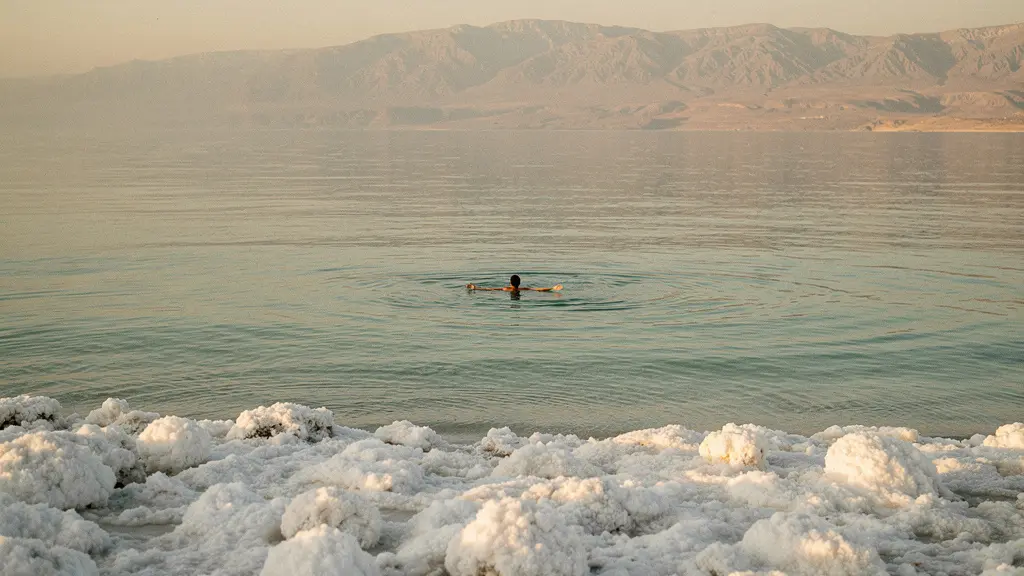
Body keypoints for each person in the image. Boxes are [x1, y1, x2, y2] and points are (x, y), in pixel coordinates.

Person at [466, 275, 562, 292]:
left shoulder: (505, 289)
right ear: (519, 283)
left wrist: (476, 288)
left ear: (510, 282)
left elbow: (489, 289)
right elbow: (539, 289)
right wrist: (552, 288)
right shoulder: (524, 289)